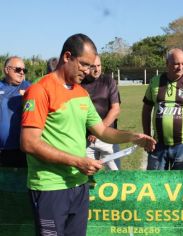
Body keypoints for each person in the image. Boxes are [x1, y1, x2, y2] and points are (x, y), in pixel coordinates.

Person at [20, 33, 156, 236]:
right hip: (50, 187)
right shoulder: (40, 90)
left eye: (92, 66)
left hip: (79, 186)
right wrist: (77, 161)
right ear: (67, 57)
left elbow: (102, 131)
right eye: (84, 64)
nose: (88, 71)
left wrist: (132, 137)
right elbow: (29, 143)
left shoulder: (81, 93)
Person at [142, 48, 183, 170]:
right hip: (158, 145)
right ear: (167, 64)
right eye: (176, 63)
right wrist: (147, 136)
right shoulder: (156, 81)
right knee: (156, 185)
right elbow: (146, 110)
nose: (180, 67)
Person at [82, 55, 121, 170]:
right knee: (87, 178)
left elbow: (115, 109)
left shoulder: (109, 81)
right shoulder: (78, 84)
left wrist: (98, 130)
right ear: (86, 67)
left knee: (115, 175)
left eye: (99, 65)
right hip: (86, 140)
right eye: (93, 66)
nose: (97, 69)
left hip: (108, 137)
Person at [0, 56, 31, 167]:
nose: (22, 72)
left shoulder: (30, 88)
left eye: (24, 70)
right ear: (7, 70)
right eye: (18, 69)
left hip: (20, 149)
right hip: (1, 150)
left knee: (18, 182)